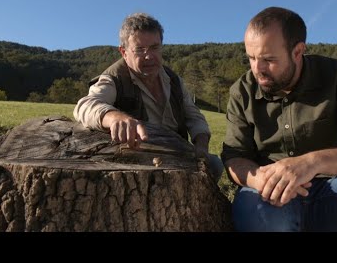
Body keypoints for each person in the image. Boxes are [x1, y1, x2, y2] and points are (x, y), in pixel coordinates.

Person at [221, 6, 337, 232]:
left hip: (333, 189)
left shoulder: (335, 75)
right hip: (271, 196)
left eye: (268, 59)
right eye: (251, 58)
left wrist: (311, 163)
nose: (257, 69)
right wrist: (261, 180)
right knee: (255, 209)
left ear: (298, 51)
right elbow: (234, 157)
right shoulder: (242, 91)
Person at [74, 12, 224, 181]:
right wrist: (114, 118)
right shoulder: (115, 78)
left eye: (154, 47)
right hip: (139, 158)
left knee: (215, 165)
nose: (149, 56)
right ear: (124, 52)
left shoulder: (173, 80)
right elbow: (86, 105)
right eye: (139, 49)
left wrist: (201, 143)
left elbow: (194, 116)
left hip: (178, 152)